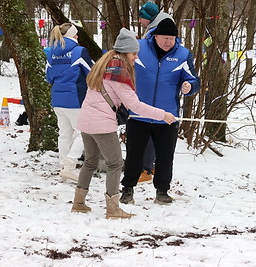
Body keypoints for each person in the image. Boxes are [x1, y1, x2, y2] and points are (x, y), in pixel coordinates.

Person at [71, 28, 176, 219]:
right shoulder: (118, 73)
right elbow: (135, 105)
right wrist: (163, 115)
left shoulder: (102, 66)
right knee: (115, 164)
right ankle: (113, 208)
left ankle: (78, 202)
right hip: (102, 125)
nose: (136, 57)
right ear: (125, 52)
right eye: (134, 54)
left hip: (86, 121)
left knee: (90, 162)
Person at [120, 18, 201, 205]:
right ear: (155, 36)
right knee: (134, 155)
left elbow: (194, 79)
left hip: (167, 116)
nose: (168, 42)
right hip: (138, 113)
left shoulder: (183, 54)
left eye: (172, 39)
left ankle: (162, 191)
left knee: (165, 156)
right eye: (165, 38)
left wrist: (190, 86)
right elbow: (121, 67)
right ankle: (127, 189)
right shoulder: (138, 48)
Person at [46, 23, 93, 181]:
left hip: (57, 100)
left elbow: (48, 77)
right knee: (83, 133)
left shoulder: (51, 53)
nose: (78, 37)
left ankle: (63, 166)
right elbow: (92, 73)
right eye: (76, 34)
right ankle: (70, 164)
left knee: (64, 134)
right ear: (72, 36)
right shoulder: (79, 51)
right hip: (75, 99)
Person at [137, 2, 176, 184]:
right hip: (151, 90)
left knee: (153, 128)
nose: (139, 20)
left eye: (141, 16)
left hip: (158, 93)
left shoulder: (159, 30)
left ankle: (146, 168)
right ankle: (148, 165)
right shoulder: (153, 30)